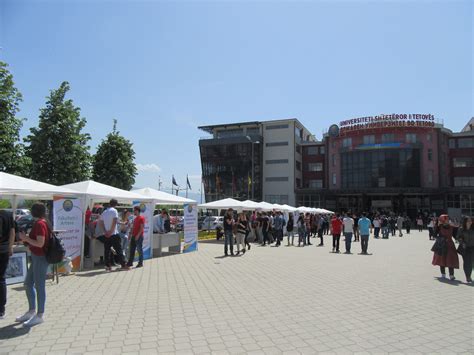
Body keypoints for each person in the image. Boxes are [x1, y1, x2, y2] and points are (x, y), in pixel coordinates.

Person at [16, 203, 51, 327]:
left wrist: (25, 238)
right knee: (28, 284)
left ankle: (40, 314)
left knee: (39, 286)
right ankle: (31, 311)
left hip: (40, 258)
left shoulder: (40, 223)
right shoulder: (41, 222)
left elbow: (40, 243)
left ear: (33, 211)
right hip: (37, 257)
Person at [100, 199, 129, 272]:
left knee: (107, 251)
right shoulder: (114, 211)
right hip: (113, 234)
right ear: (116, 204)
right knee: (119, 249)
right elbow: (114, 221)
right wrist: (111, 231)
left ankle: (107, 266)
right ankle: (123, 265)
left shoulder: (105, 212)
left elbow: (101, 222)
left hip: (106, 234)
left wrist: (105, 231)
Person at [432, 214, 459, 280]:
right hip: (441, 245)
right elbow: (434, 235)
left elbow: (455, 236)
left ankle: (451, 275)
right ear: (442, 220)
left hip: (450, 245)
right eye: (446, 219)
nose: (447, 220)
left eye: (448, 219)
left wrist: (459, 239)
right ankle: (443, 274)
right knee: (442, 259)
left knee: (451, 259)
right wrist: (436, 226)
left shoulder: (451, 227)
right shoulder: (439, 227)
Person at [0, 209, 15, 319]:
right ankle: (1, 310)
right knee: (1, 279)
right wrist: (10, 247)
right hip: (4, 250)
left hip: (3, 250)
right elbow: (12, 232)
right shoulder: (8, 215)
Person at [456, 216, 474, 283]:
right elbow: (458, 237)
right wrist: (462, 242)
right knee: (467, 263)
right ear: (465, 222)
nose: (470, 222)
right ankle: (468, 277)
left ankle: (469, 275)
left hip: (472, 248)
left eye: (471, 221)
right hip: (465, 248)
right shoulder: (461, 229)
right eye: (468, 221)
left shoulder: (473, 228)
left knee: (471, 262)